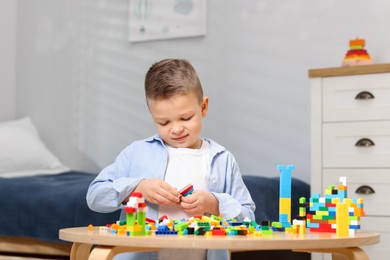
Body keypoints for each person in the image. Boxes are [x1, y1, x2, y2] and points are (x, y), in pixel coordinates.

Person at [86, 58, 255, 260]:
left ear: (204, 107)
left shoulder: (222, 160)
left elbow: (249, 219)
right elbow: (95, 196)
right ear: (152, 115)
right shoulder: (137, 153)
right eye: (163, 122)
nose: (176, 129)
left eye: (186, 118)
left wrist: (216, 204)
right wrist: (138, 188)